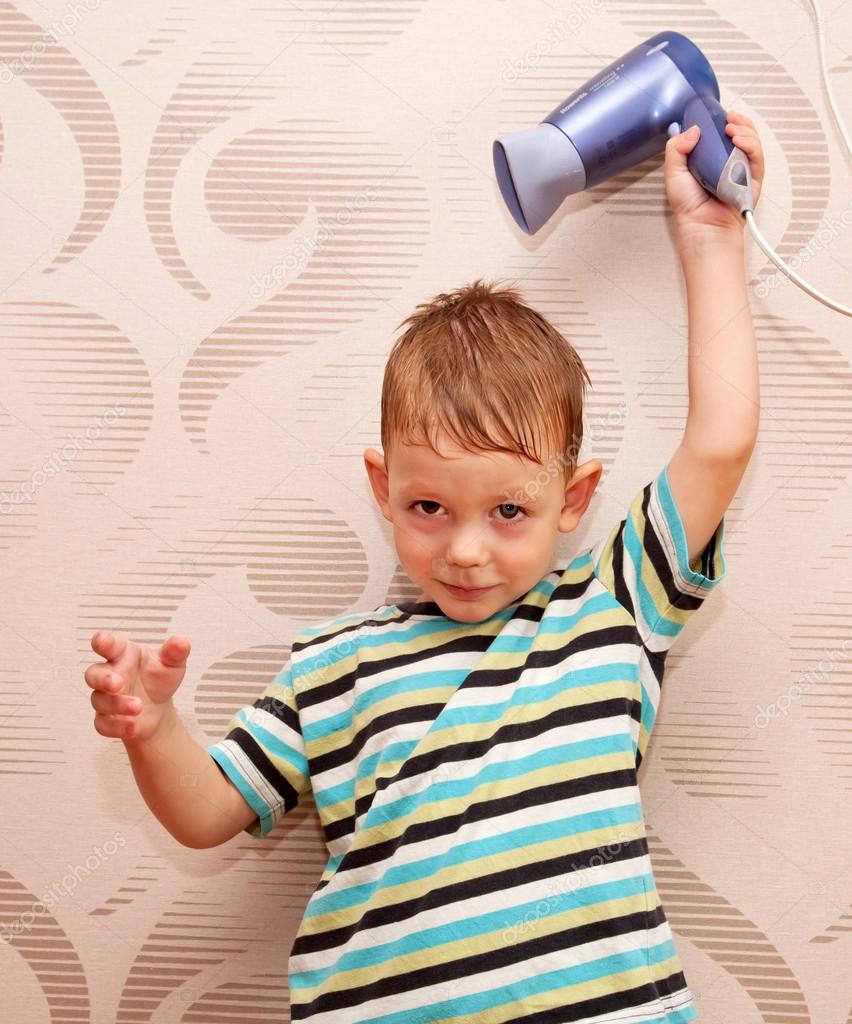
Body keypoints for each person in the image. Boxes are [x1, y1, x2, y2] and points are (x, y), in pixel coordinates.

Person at [85, 112, 764, 1024]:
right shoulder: (330, 668)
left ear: (574, 500)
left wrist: (712, 239)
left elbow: (720, 440)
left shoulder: (617, 606)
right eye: (430, 508)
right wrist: (154, 725)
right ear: (384, 486)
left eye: (510, 511)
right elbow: (208, 811)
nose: (467, 548)